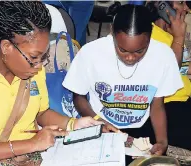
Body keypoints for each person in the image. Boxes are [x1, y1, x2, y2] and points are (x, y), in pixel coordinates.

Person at [0, 1, 116, 165]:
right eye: (33, 58)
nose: (39, 66)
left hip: (29, 159)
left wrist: (74, 124)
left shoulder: (31, 72)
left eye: (42, 57)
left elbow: (41, 112)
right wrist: (32, 144)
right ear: (6, 47)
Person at [62, 4, 183, 164]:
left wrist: (162, 141)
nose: (130, 58)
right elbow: (79, 97)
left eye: (139, 51)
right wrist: (99, 120)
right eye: (123, 50)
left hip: (142, 126)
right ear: (112, 31)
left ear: (150, 36)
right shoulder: (91, 53)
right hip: (101, 123)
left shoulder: (162, 55)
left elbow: (157, 104)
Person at [147, 1, 191, 150]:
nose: (186, 8)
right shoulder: (149, 35)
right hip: (169, 105)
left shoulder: (169, 32)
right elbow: (169, 72)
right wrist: (179, 37)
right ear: (162, 6)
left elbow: (184, 67)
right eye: (180, 2)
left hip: (183, 98)